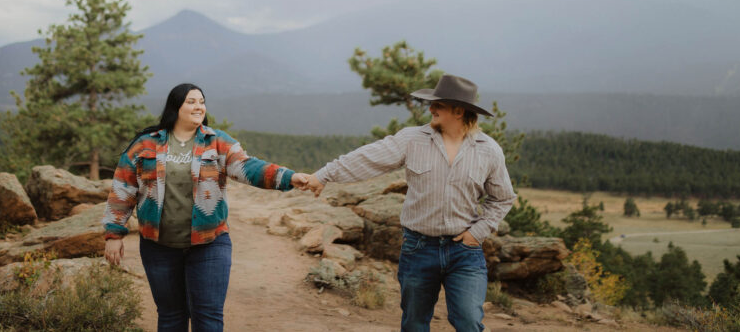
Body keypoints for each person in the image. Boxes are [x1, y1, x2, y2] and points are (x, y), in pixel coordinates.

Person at [304, 74, 515, 332]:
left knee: (469, 321)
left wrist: (478, 232)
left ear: (459, 111)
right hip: (419, 248)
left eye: (438, 105)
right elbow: (368, 158)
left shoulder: (489, 150)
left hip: (464, 253)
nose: (431, 109)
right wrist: (323, 175)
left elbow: (502, 197)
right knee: (414, 324)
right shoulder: (412, 140)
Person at [103, 82, 310, 332]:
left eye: (201, 101)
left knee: (209, 319)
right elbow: (123, 187)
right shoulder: (146, 144)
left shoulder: (217, 142)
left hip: (210, 243)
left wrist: (288, 177)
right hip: (158, 246)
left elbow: (249, 168)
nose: (198, 106)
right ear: (175, 107)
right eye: (191, 101)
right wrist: (114, 233)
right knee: (170, 317)